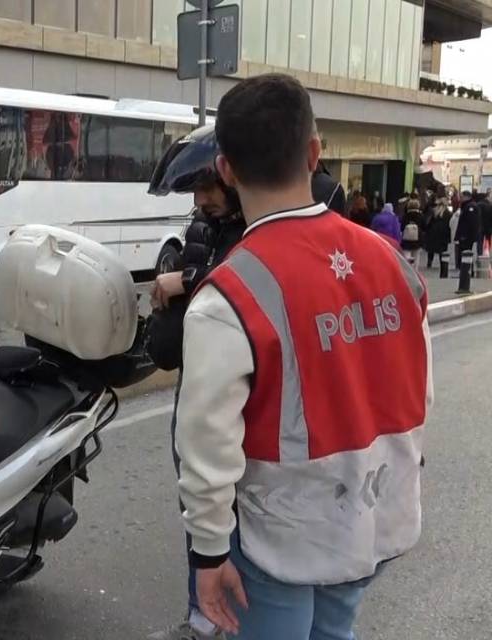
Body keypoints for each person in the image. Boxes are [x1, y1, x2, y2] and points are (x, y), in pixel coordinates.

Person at [177, 73, 431, 640]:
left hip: (282, 533)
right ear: (314, 154)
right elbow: (421, 392)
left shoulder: (229, 294)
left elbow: (206, 445)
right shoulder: (393, 264)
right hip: (375, 515)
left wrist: (208, 553)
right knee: (335, 629)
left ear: (225, 169)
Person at [144, 125, 245, 640]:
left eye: (208, 187)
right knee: (199, 506)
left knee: (238, 513)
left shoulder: (258, 229)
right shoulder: (203, 230)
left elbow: (248, 284)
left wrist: (185, 280)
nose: (201, 200)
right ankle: (202, 616)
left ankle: (238, 617)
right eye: (195, 191)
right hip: (194, 384)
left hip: (240, 393)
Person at [455, 190, 482, 294]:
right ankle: (465, 274)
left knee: (466, 255)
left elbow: (472, 223)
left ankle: (467, 275)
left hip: (466, 237)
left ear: (466, 197)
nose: (460, 199)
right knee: (464, 256)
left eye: (461, 196)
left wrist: (467, 236)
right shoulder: (466, 206)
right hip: (464, 236)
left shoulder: (471, 207)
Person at [425, 198, 454, 272]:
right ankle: (443, 264)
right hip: (443, 233)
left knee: (431, 249)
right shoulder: (448, 213)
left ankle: (429, 262)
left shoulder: (434, 211)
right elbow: (450, 224)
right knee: (442, 250)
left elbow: (428, 222)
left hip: (433, 232)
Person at [401, 198, 426, 265]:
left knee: (407, 255)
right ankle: (415, 269)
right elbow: (424, 227)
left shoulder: (405, 216)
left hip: (406, 239)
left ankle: (408, 266)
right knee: (416, 256)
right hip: (417, 239)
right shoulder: (420, 216)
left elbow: (402, 227)